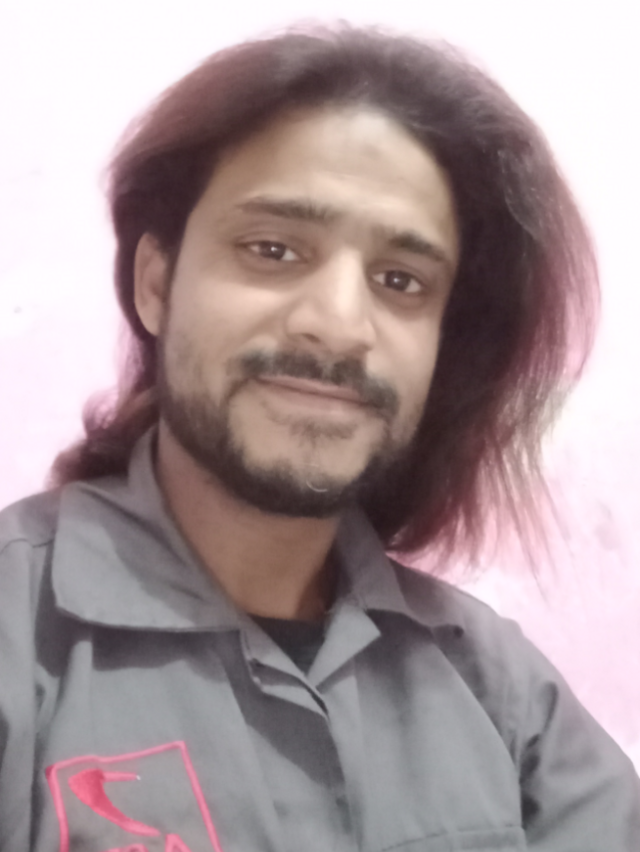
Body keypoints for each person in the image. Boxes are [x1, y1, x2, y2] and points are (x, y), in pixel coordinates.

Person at [0, 22, 638, 852]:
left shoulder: (498, 689)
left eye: (400, 280)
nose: (339, 325)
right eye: (273, 250)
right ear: (156, 284)